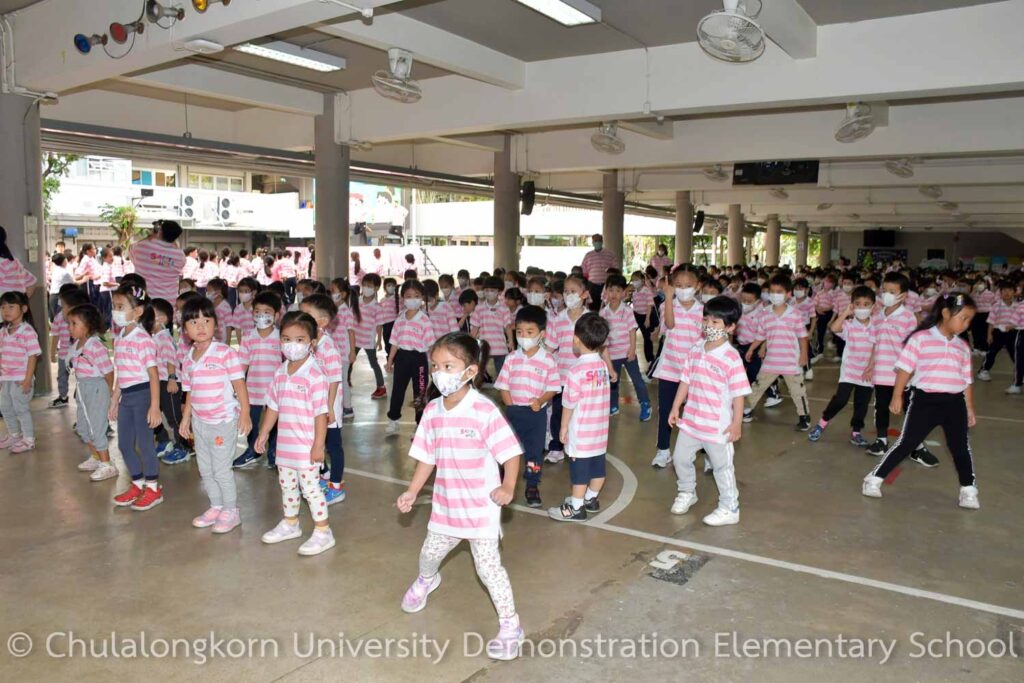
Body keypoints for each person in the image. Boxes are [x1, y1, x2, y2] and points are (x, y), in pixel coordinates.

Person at [396, 332, 524, 661]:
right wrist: (412, 491)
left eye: (448, 366)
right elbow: (427, 458)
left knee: (489, 569)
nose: (439, 373)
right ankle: (427, 580)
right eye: (435, 366)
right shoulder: (433, 411)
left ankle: (511, 625)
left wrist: (508, 486)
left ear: (470, 371)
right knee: (428, 555)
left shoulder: (483, 409)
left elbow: (511, 453)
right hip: (446, 506)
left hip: (481, 508)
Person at [862, 294, 979, 509]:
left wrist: (969, 407)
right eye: (963, 318)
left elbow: (967, 381)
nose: (966, 324)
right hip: (925, 401)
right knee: (908, 443)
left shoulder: (962, 346)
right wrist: (897, 395)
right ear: (946, 313)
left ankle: (968, 490)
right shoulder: (921, 338)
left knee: (960, 448)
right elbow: (904, 369)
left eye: (969, 320)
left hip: (955, 404)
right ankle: (874, 478)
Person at [665, 295, 750, 526]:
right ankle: (687, 491)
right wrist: (676, 406)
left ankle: (730, 507)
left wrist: (736, 423)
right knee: (680, 459)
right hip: (691, 422)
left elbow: (739, 394)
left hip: (717, 427)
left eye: (715, 322)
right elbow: (686, 380)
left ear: (730, 327)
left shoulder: (731, 357)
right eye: (706, 320)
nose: (708, 325)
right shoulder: (696, 348)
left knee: (722, 468)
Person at [255, 311, 335, 556]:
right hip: (285, 444)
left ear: (312, 343)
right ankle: (291, 523)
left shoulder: (315, 375)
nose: (292, 345)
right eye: (286, 339)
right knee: (287, 486)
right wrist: (264, 433)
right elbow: (273, 406)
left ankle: (323, 531)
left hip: (306, 445)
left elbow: (321, 414)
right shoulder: (281, 372)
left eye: (300, 340)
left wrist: (318, 445)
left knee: (311, 489)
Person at [178, 297, 250, 534]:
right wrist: (186, 418)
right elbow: (190, 391)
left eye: (206, 321)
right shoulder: (188, 359)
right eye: (193, 322)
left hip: (222, 421)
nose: (200, 326)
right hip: (200, 422)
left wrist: (245, 413)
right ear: (184, 329)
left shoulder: (224, 353)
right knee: (205, 469)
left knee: (221, 469)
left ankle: (231, 510)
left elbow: (239, 384)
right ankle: (216, 506)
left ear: (216, 324)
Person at [495, 305, 561, 508]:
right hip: (514, 412)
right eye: (520, 332)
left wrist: (540, 401)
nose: (523, 336)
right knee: (507, 449)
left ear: (542, 334)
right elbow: (503, 385)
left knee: (534, 452)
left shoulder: (548, 359)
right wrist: (511, 406)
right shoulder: (511, 358)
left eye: (529, 332)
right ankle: (502, 481)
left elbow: (553, 388)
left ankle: (532, 484)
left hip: (536, 415)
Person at [866, 272, 935, 464]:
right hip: (881, 373)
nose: (886, 295)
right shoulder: (877, 315)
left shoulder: (908, 317)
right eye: (884, 290)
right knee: (881, 407)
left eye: (892, 292)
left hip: (901, 374)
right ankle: (881, 440)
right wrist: (870, 366)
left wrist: (911, 372)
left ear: (903, 295)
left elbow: (912, 348)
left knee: (908, 410)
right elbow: (874, 343)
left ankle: (917, 447)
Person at [549, 313, 612, 522]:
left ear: (576, 339)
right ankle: (591, 498)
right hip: (600, 430)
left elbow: (569, 403)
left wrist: (563, 426)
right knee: (598, 468)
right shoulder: (602, 366)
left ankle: (576, 507)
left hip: (582, 431)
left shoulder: (576, 370)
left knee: (579, 472)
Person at [109, 284, 164, 511]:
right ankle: (138, 483)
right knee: (124, 444)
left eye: (121, 306)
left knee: (145, 444)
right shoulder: (119, 337)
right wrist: (115, 399)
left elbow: (153, 375)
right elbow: (121, 372)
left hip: (143, 395)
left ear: (138, 311)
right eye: (114, 306)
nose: (116, 311)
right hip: (127, 397)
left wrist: (154, 406)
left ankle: (153, 488)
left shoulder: (143, 339)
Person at [808, 286, 877, 447]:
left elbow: (877, 347)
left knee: (862, 403)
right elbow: (834, 328)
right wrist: (846, 312)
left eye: (866, 304)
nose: (862, 308)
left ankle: (856, 432)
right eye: (857, 304)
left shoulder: (876, 326)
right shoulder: (849, 324)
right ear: (852, 305)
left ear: (873, 307)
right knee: (840, 399)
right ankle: (822, 423)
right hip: (849, 371)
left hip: (867, 373)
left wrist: (871, 366)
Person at [67, 302, 126, 485]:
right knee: (83, 427)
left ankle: (107, 464)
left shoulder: (95, 346)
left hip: (96, 388)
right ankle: (96, 457)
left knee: (96, 428)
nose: (70, 327)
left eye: (74, 323)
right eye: (69, 323)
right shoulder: (77, 344)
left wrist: (109, 394)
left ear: (88, 326)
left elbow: (108, 372)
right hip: (83, 388)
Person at [742, 274, 810, 431]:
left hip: (791, 362)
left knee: (798, 391)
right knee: (757, 386)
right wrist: (752, 348)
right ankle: (746, 410)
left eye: (779, 292)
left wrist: (804, 354)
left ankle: (804, 417)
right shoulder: (765, 313)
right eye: (772, 291)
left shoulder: (795, 314)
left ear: (788, 294)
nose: (774, 295)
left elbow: (803, 336)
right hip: (771, 362)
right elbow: (761, 335)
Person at [651, 266, 703, 468]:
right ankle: (663, 450)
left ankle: (706, 451)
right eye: (678, 285)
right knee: (666, 410)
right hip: (670, 368)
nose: (683, 290)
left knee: (698, 412)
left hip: (695, 371)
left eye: (688, 285)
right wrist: (668, 297)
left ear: (697, 286)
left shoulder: (704, 311)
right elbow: (670, 325)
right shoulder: (668, 306)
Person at [300, 293, 346, 504]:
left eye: (306, 315)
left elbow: (335, 380)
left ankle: (336, 487)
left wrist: (330, 408)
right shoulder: (307, 343)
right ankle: (322, 476)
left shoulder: (328, 347)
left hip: (328, 405)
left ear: (323, 321)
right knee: (315, 441)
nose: (300, 318)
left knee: (333, 445)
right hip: (312, 404)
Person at [543, 274, 591, 465]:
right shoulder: (558, 319)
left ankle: (579, 446)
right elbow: (550, 347)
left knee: (581, 414)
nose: (568, 295)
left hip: (584, 378)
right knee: (558, 413)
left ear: (584, 294)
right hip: (561, 376)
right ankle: (556, 447)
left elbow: (600, 347)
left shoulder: (590, 319)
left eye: (573, 291)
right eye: (565, 291)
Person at [234, 290, 283, 469]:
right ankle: (253, 450)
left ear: (276, 315)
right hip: (253, 390)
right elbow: (242, 364)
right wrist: (235, 387)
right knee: (251, 423)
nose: (261, 315)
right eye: (257, 311)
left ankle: (274, 452)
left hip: (275, 392)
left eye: (267, 312)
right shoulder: (248, 336)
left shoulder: (281, 337)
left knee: (275, 424)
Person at [601, 274, 652, 421]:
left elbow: (632, 330)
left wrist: (632, 349)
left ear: (624, 293)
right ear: (606, 292)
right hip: (611, 355)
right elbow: (602, 335)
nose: (614, 294)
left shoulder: (627, 310)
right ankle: (613, 405)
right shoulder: (603, 313)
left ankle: (645, 404)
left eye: (618, 291)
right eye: (611, 290)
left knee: (637, 380)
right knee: (613, 381)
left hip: (627, 353)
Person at [385, 281, 431, 435]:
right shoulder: (400, 318)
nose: (413, 299)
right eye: (409, 296)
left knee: (420, 392)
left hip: (419, 360)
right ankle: (393, 419)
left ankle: (420, 424)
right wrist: (390, 360)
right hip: (402, 358)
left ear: (422, 297)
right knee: (398, 390)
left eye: (416, 296)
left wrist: (433, 364)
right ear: (403, 298)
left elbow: (430, 344)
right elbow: (394, 341)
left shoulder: (424, 319)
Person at [146, 299, 188, 465]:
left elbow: (171, 359)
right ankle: (164, 440)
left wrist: (172, 379)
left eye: (151, 315)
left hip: (168, 383)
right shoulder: (155, 337)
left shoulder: (164, 337)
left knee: (174, 418)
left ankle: (183, 447)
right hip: (159, 382)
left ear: (162, 319)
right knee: (152, 413)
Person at [0, 291, 41, 453]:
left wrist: (27, 379)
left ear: (23, 309)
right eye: (3, 307)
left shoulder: (27, 332)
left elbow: (33, 356)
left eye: (11, 307)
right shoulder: (3, 331)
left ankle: (29, 439)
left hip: (21, 378)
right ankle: (14, 435)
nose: (6, 311)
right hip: (6, 378)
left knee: (20, 408)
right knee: (5, 406)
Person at [129, 220, 186, 304]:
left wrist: (150, 237)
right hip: (168, 300)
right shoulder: (180, 256)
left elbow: (132, 254)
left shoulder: (141, 247)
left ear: (160, 231)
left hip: (142, 298)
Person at [48, 285, 86, 409]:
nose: (61, 306)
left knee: (81, 375)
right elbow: (55, 336)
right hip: (64, 354)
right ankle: (63, 396)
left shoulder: (82, 319)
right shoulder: (59, 318)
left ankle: (80, 392)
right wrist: (52, 353)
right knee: (62, 376)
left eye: (64, 304)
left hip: (79, 355)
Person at [471, 276, 514, 379]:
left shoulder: (504, 308)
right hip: (484, 347)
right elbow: (475, 327)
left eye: (492, 290)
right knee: (479, 374)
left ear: (499, 291)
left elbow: (507, 326)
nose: (489, 293)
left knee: (502, 375)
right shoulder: (479, 308)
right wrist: (470, 342)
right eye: (486, 290)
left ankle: (501, 387)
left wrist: (511, 341)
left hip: (500, 347)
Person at [328, 278, 357, 420]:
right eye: (331, 291)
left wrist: (352, 352)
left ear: (343, 294)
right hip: (333, 353)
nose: (331, 294)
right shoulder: (332, 311)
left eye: (333, 291)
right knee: (335, 380)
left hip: (343, 353)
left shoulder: (346, 311)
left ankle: (348, 407)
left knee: (342, 380)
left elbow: (351, 332)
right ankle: (337, 405)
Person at [355, 274, 387, 399]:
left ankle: (381, 387)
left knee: (374, 364)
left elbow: (379, 325)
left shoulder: (377, 307)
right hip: (355, 339)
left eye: (369, 286)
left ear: (376, 288)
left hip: (368, 340)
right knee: (349, 361)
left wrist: (379, 340)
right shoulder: (357, 301)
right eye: (364, 285)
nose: (365, 288)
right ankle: (344, 382)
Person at [978, 281, 1016, 383]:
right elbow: (991, 321)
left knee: (1016, 354)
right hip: (998, 333)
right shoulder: (996, 306)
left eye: (1010, 290)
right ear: (1000, 292)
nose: (1007, 293)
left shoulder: (1017, 306)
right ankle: (983, 371)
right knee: (992, 353)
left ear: (1014, 292)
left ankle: (1020, 373)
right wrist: (989, 335)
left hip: (1012, 333)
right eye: (1004, 290)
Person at [580, 233, 619, 312]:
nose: (597, 242)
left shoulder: (610, 254)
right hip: (592, 285)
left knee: (606, 306)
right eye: (595, 241)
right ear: (592, 242)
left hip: (606, 285)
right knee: (592, 307)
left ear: (602, 241)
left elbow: (616, 270)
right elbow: (584, 271)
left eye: (599, 241)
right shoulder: (588, 255)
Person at [0, 226, 38, 298]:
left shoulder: (2, 262)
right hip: (15, 303)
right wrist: (22, 301)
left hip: (5, 304)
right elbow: (32, 281)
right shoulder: (13, 260)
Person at [47, 253, 73, 320]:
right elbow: (73, 283)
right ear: (64, 261)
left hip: (52, 295)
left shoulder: (55, 270)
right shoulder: (64, 273)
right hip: (59, 296)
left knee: (54, 318)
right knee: (60, 317)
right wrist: (84, 279)